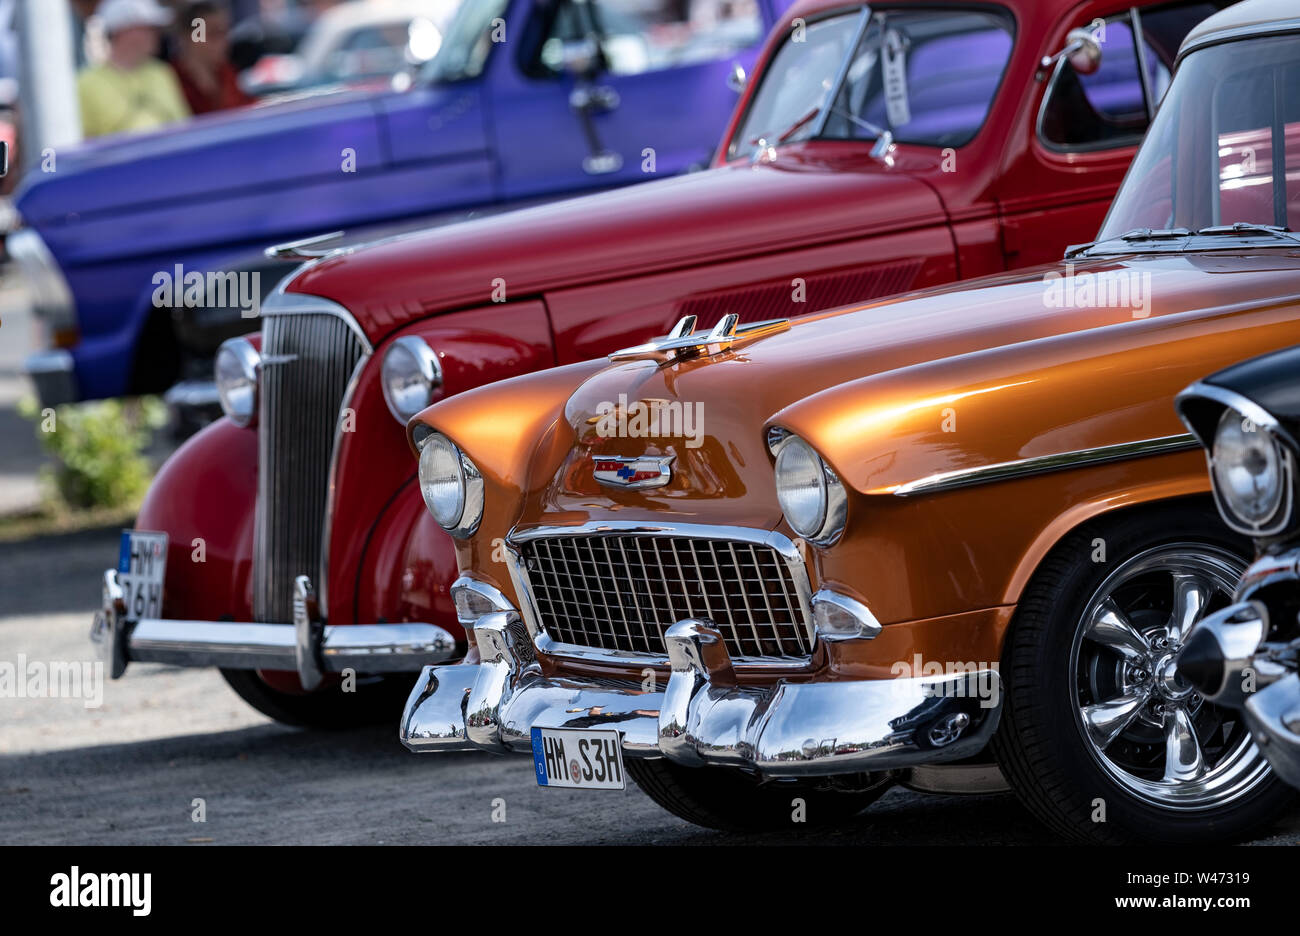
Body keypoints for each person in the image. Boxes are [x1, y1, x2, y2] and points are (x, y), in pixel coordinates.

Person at [78, 0, 190, 138]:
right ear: (125, 31)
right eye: (149, 28)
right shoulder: (85, 84)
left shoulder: (162, 72)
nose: (157, 34)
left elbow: (185, 128)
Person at [170, 1, 253, 115]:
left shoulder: (227, 72)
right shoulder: (170, 79)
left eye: (225, 33)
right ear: (187, 37)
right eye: (213, 34)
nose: (223, 41)